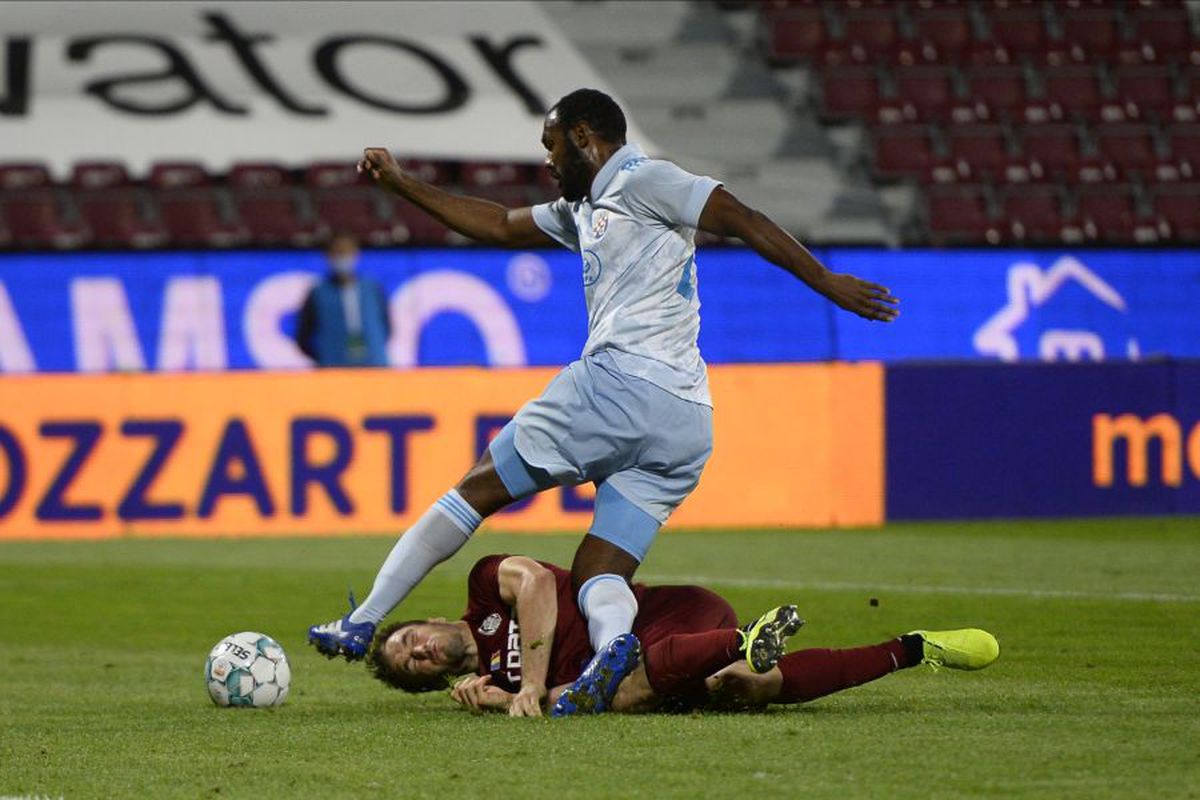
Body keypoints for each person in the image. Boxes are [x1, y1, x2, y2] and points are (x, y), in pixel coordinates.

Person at [309, 88, 901, 717]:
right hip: (683, 420)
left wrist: (827, 281)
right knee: (597, 570)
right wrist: (403, 184)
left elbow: (740, 216)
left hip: (619, 385)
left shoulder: (648, 181)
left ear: (585, 137)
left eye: (551, 144)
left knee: (473, 490)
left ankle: (363, 619)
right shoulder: (584, 206)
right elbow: (499, 223)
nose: (547, 159)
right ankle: (612, 648)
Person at [365, 554, 1000, 716]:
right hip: (665, 666)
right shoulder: (490, 686)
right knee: (746, 690)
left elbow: (531, 580)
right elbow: (571, 702)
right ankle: (913, 648)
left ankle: (740, 638)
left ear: (429, 620)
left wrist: (529, 682)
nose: (418, 653)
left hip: (668, 616)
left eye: (408, 641)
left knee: (617, 689)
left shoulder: (483, 591)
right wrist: (511, 700)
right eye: (412, 667)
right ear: (435, 680)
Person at [294, 233, 391, 367]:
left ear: (356, 254)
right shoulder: (318, 293)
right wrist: (324, 358)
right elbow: (303, 337)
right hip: (334, 369)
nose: (343, 256)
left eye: (346, 251)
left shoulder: (372, 288)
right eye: (337, 252)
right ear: (327, 256)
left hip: (374, 367)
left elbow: (386, 328)